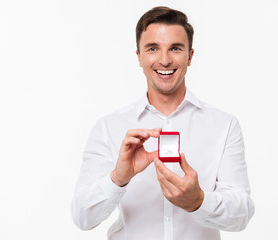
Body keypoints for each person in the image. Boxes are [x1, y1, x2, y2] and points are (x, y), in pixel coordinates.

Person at [71, 6, 254, 240]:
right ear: (139, 56)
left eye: (175, 48)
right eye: (153, 48)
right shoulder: (109, 127)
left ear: (190, 56)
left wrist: (199, 201)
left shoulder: (224, 125)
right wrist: (118, 178)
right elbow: (82, 218)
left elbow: (242, 214)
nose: (165, 60)